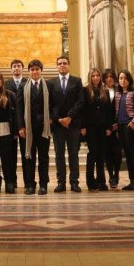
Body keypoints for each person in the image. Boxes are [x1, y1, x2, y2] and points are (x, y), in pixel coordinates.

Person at [48, 55, 84, 193]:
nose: (62, 65)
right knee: (59, 154)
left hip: (73, 124)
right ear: (56, 66)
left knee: (73, 154)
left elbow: (80, 101)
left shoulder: (77, 81)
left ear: (69, 65)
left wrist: (69, 117)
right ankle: (61, 182)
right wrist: (58, 119)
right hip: (58, 125)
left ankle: (74, 182)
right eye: (59, 63)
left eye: (64, 63)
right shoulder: (51, 83)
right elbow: (50, 104)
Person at [16, 59, 51, 195]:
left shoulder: (48, 85)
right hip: (28, 128)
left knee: (43, 157)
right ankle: (30, 184)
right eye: (32, 69)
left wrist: (51, 119)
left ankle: (43, 185)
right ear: (29, 71)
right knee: (29, 158)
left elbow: (53, 104)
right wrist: (20, 127)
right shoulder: (23, 87)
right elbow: (19, 108)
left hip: (43, 128)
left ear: (41, 70)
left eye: (37, 69)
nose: (35, 72)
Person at [88, 0, 127, 73]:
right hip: (101, 13)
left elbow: (124, 1)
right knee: (103, 46)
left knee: (120, 46)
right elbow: (91, 1)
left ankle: (121, 75)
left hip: (116, 13)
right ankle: (106, 75)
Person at [81, 68, 113, 191]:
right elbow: (83, 110)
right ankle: (90, 181)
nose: (95, 78)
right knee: (92, 153)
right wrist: (83, 126)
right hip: (90, 127)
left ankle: (101, 181)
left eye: (97, 76)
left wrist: (109, 127)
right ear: (90, 77)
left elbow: (108, 110)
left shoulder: (105, 90)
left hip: (102, 127)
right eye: (93, 76)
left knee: (101, 154)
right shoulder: (85, 90)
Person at [115, 69, 134, 191]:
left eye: (125, 78)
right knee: (127, 154)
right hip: (120, 127)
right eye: (120, 78)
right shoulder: (117, 94)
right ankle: (132, 181)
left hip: (131, 126)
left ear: (129, 80)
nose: (122, 80)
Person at [4, 59, 27, 188]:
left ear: (22, 69)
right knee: (10, 155)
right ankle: (11, 181)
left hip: (25, 124)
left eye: (19, 66)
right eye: (14, 66)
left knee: (26, 155)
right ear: (11, 69)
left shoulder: (28, 82)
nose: (16, 68)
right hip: (10, 124)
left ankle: (27, 181)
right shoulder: (6, 84)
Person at [102, 68, 123, 188]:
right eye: (107, 77)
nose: (109, 79)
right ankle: (111, 176)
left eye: (111, 77)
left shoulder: (119, 89)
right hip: (105, 128)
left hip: (118, 126)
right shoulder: (101, 90)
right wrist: (107, 127)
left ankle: (117, 173)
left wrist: (116, 125)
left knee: (117, 153)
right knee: (108, 154)